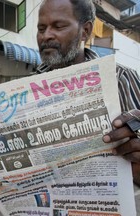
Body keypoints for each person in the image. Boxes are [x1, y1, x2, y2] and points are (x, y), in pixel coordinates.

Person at [36, 0, 140, 184]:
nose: (46, 36)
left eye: (58, 26)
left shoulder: (121, 78)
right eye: (41, 28)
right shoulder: (29, 84)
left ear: (85, 31)